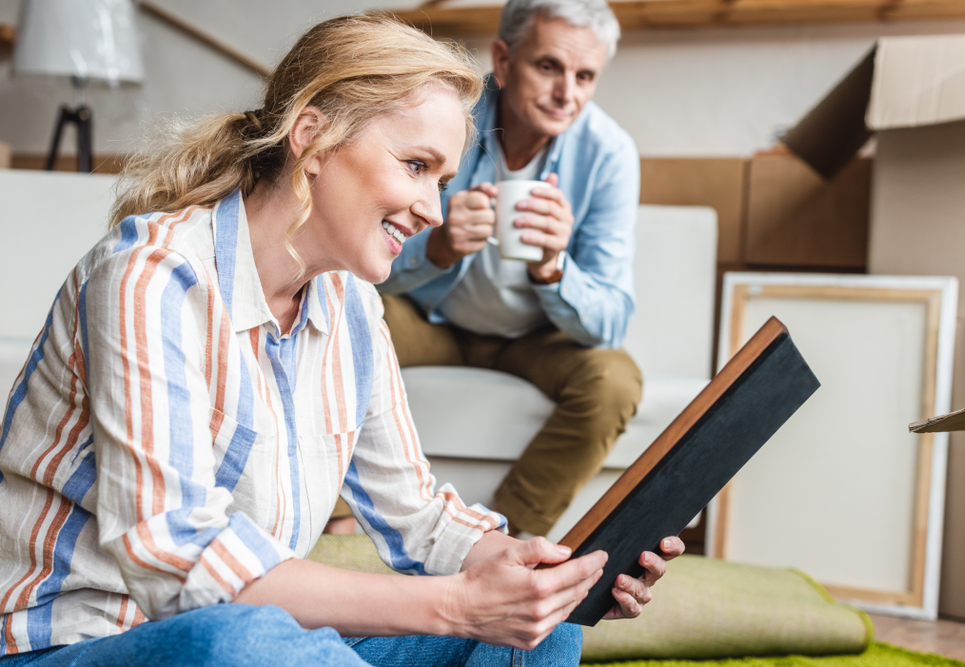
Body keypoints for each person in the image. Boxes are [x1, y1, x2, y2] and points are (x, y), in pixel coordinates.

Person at [0, 15, 683, 667]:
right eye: (416, 166)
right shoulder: (152, 278)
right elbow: (177, 563)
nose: (433, 210)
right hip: (79, 643)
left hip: (254, 638)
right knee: (243, 641)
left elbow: (418, 516)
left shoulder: (349, 304)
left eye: (443, 180)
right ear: (313, 137)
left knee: (533, 633)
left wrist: (538, 574)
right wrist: (454, 604)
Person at [377, 0, 641, 538]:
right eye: (549, 66)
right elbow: (363, 252)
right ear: (503, 60)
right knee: (344, 308)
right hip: (433, 320)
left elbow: (610, 322)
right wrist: (439, 246)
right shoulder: (444, 117)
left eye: (585, 75)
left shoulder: (610, 154)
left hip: (534, 340)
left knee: (614, 381)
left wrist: (553, 268)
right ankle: (337, 519)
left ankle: (503, 537)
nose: (568, 93)